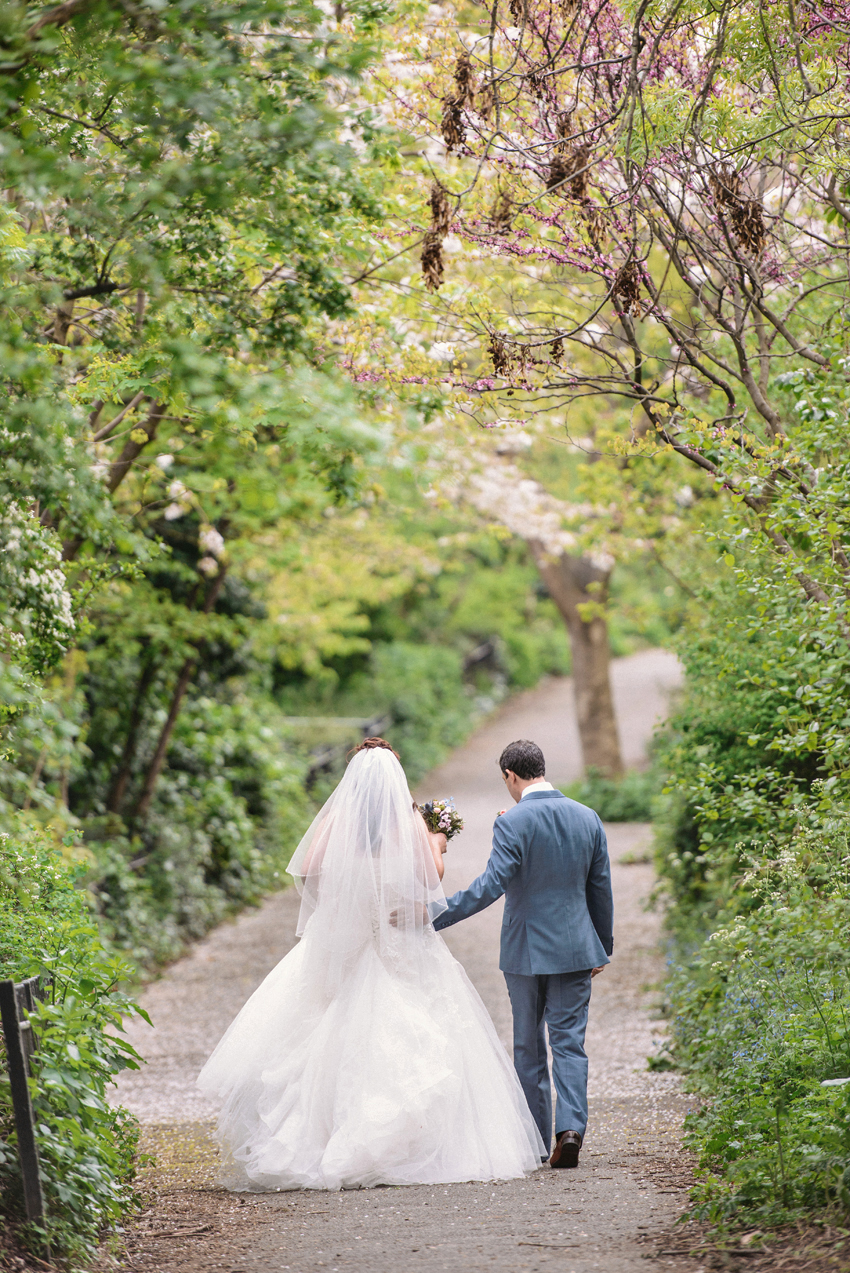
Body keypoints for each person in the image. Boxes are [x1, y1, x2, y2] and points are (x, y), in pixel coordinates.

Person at [197, 737, 544, 1191]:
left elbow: (310, 867)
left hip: (349, 936)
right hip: (399, 937)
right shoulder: (409, 819)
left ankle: (324, 1135)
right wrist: (438, 841)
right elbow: (430, 876)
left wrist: (346, 893)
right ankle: (406, 1144)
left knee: (327, 1030)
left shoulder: (338, 820)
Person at [432, 739, 613, 1169]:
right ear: (542, 769)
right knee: (569, 1042)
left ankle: (534, 1139)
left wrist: (433, 916)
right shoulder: (587, 818)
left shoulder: (512, 822)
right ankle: (570, 1130)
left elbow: (490, 886)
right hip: (575, 949)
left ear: (511, 776)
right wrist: (601, 946)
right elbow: (599, 888)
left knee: (528, 1045)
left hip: (526, 950)